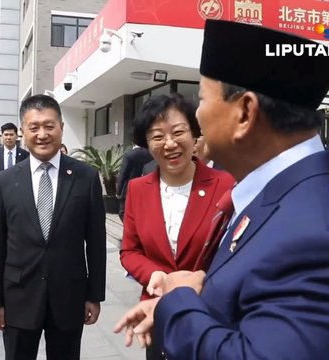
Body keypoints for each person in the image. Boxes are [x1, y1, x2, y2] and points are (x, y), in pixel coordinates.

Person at [114, 20, 329, 359]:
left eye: (201, 98)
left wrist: (179, 299)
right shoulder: (274, 194)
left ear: (244, 112)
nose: (198, 114)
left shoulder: (313, 228)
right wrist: (202, 285)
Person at [0, 94, 106, 360]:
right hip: (18, 297)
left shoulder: (85, 178)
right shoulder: (4, 182)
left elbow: (95, 242)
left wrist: (94, 295)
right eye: (34, 127)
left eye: (49, 126)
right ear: (22, 132)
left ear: (61, 127)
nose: (42, 134)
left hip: (69, 297)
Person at [119, 94, 233, 359]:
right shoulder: (138, 189)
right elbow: (129, 251)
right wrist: (155, 275)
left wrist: (197, 281)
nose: (169, 143)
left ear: (194, 135)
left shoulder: (226, 185)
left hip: (211, 315)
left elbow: (235, 251)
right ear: (147, 143)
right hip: (157, 313)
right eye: (157, 136)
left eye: (178, 132)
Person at [116, 140, 153, 222]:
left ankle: (132, 229)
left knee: (123, 212)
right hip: (146, 188)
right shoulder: (151, 154)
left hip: (129, 189)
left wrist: (118, 191)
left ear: (132, 142)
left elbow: (123, 174)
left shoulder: (129, 155)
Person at [0, 122, 29, 192]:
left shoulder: (25, 154)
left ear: (16, 136)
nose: (8, 137)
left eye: (11, 135)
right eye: (6, 135)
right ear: (2, 136)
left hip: (19, 192)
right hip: (0, 192)